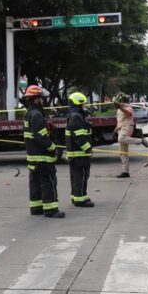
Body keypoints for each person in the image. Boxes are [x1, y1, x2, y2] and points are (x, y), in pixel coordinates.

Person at [23, 85, 65, 218]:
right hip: (42, 157)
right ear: (36, 99)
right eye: (41, 98)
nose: (42, 101)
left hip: (32, 156)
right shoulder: (36, 115)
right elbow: (40, 136)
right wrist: (53, 147)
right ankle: (51, 210)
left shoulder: (28, 113)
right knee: (48, 182)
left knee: (35, 183)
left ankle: (36, 208)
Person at [66, 92, 94, 208]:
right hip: (80, 153)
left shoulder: (74, 115)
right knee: (81, 176)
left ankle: (78, 195)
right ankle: (80, 199)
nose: (84, 107)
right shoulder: (76, 116)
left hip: (75, 153)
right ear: (79, 104)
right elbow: (79, 136)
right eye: (83, 105)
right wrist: (88, 149)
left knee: (76, 176)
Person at [113, 93, 148, 178]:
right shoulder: (119, 110)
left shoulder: (128, 107)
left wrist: (120, 107)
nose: (119, 102)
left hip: (127, 127)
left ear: (123, 101)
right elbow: (120, 120)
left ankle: (141, 140)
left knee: (121, 139)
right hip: (121, 128)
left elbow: (128, 113)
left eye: (120, 100)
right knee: (122, 152)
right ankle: (126, 171)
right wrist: (116, 129)